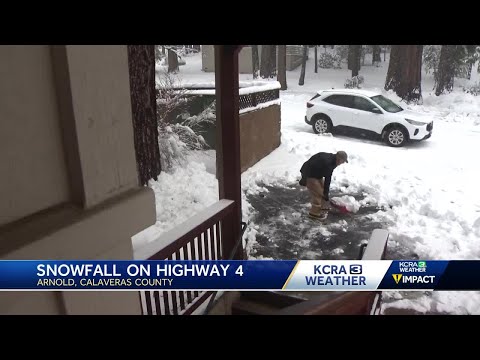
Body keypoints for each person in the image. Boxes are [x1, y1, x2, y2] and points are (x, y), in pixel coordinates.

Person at [299, 151, 348, 220]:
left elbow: (328, 177)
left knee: (322, 191)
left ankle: (322, 208)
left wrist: (326, 193)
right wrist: (304, 178)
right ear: (339, 159)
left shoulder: (333, 161)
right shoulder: (328, 162)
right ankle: (314, 214)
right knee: (318, 194)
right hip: (310, 175)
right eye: (342, 162)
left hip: (317, 174)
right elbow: (309, 165)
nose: (342, 163)